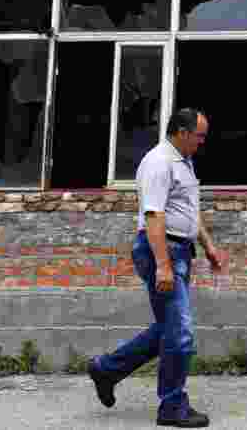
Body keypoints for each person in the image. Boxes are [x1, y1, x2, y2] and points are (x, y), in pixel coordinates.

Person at [88, 108, 223, 428]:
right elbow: (154, 215)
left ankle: (107, 369)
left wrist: (209, 246)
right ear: (182, 132)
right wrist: (163, 265)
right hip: (162, 251)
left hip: (179, 250)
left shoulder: (183, 163)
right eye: (200, 135)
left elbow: (188, 211)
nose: (203, 142)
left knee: (169, 329)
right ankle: (172, 405)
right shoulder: (159, 162)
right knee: (181, 333)